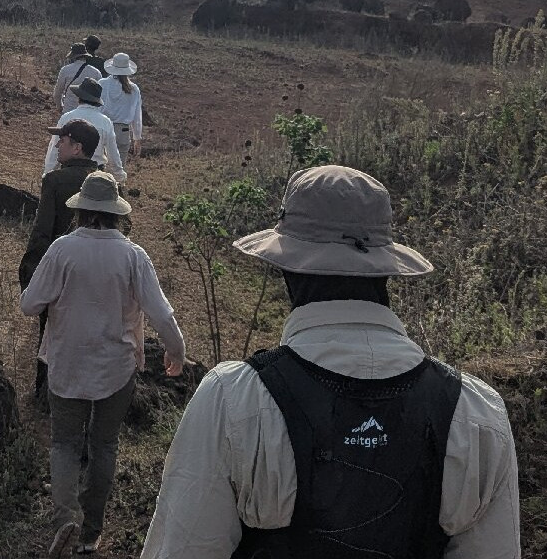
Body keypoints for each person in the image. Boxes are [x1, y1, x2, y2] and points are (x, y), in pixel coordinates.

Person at [141, 165, 520, 559]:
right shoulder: (475, 413)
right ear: (384, 271)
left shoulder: (235, 402)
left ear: (287, 271)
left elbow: (183, 548)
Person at [22, 171, 186, 558]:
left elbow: (29, 305)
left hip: (65, 364)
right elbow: (161, 315)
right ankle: (90, 534)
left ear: (80, 210)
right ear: (117, 213)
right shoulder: (133, 255)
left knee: (64, 443)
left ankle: (65, 519)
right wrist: (176, 352)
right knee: (104, 444)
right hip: (117, 368)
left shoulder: (62, 249)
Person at [20, 119, 101, 399]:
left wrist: (30, 273)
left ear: (77, 147)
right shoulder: (107, 183)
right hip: (98, 272)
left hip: (61, 268)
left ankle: (45, 392)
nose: (57, 146)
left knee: (51, 330)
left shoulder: (55, 180)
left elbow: (42, 231)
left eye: (62, 141)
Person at [43, 78, 127, 184]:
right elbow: (113, 154)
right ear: (96, 101)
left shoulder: (67, 118)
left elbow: (55, 150)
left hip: (68, 174)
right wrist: (119, 177)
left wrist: (47, 174)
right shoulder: (105, 122)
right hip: (96, 175)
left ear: (79, 97)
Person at [98, 52, 142, 167]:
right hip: (123, 131)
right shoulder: (134, 89)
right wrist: (137, 138)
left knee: (101, 165)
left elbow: (95, 108)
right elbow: (137, 117)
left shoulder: (102, 84)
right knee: (119, 167)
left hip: (103, 128)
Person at [54, 43, 102, 113]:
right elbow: (100, 95)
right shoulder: (96, 72)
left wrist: (59, 106)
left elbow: (58, 93)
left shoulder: (65, 70)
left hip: (69, 110)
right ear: (85, 56)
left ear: (73, 56)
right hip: (88, 112)